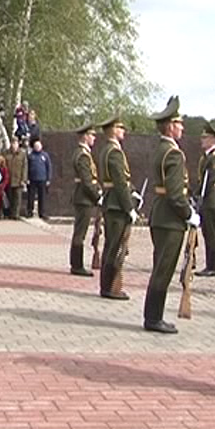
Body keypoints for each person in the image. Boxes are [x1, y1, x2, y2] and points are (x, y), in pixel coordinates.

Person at [143, 96, 197, 334]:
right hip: (170, 220)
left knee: (160, 267)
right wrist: (188, 214)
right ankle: (154, 318)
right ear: (170, 126)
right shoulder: (173, 154)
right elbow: (175, 195)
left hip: (161, 216)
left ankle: (152, 315)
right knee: (163, 270)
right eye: (179, 123)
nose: (182, 128)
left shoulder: (161, 150)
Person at [96, 115, 137, 300]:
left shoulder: (107, 150)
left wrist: (133, 192)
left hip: (111, 201)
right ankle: (111, 287)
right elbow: (120, 182)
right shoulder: (114, 152)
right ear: (113, 130)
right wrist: (129, 207)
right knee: (115, 247)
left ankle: (106, 285)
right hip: (116, 204)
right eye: (120, 128)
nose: (123, 131)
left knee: (110, 246)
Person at [194, 122, 215, 277]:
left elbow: (210, 180)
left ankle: (214, 266)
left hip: (212, 200)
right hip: (205, 200)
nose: (202, 140)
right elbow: (201, 180)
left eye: (205, 138)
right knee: (207, 233)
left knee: (213, 234)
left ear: (213, 140)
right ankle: (209, 263)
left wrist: (200, 195)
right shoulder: (204, 158)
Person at [69, 124, 99, 276]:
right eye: (92, 135)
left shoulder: (82, 153)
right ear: (85, 136)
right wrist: (97, 197)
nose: (94, 138)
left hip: (82, 197)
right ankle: (77, 265)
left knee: (79, 231)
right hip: (84, 198)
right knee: (80, 233)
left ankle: (76, 263)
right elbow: (87, 181)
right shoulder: (83, 155)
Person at [26, 140, 51, 219]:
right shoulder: (30, 156)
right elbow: (27, 168)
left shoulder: (45, 155)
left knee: (42, 197)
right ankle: (29, 212)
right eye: (36, 146)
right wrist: (27, 178)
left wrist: (48, 179)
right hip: (32, 179)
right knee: (31, 197)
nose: (37, 147)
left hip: (42, 179)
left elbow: (49, 167)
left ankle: (42, 213)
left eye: (38, 146)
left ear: (41, 146)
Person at [4, 138, 28, 219]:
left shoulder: (22, 154)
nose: (14, 145)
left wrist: (23, 179)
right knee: (10, 198)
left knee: (17, 198)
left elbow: (25, 167)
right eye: (12, 143)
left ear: (18, 144)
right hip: (9, 179)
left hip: (18, 180)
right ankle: (10, 214)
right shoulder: (6, 153)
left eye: (15, 143)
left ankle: (16, 214)